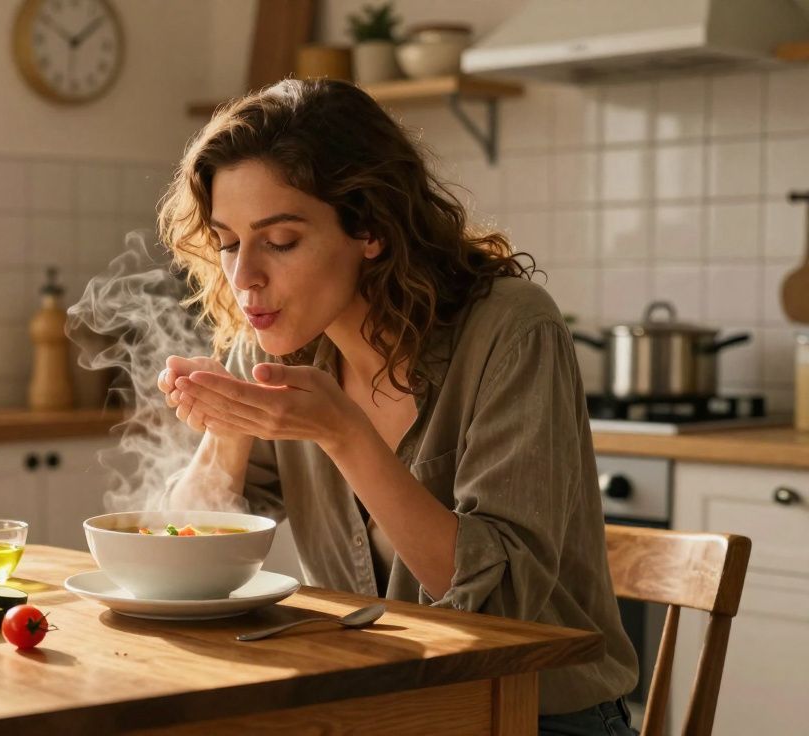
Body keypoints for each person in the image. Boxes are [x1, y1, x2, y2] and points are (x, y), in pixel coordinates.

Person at [155, 78, 638, 736]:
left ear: (371, 228)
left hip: (533, 715)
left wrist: (346, 436)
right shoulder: (275, 344)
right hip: (377, 711)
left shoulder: (511, 332)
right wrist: (227, 431)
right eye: (230, 242)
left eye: (282, 240)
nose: (243, 280)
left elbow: (502, 609)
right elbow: (183, 564)